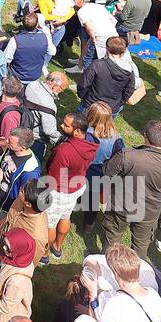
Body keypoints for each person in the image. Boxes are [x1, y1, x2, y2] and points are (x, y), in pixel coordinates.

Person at [100, 120, 161, 259]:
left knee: (111, 239)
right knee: (140, 247)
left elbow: (107, 171)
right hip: (149, 211)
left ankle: (105, 266)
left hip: (121, 205)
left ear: (145, 136)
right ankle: (133, 274)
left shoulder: (128, 155)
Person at [43, 112, 99, 263]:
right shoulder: (91, 142)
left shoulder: (64, 151)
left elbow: (53, 177)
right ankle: (58, 247)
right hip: (77, 185)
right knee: (65, 216)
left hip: (60, 190)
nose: (61, 126)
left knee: (50, 223)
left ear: (77, 131)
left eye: (66, 125)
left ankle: (45, 253)